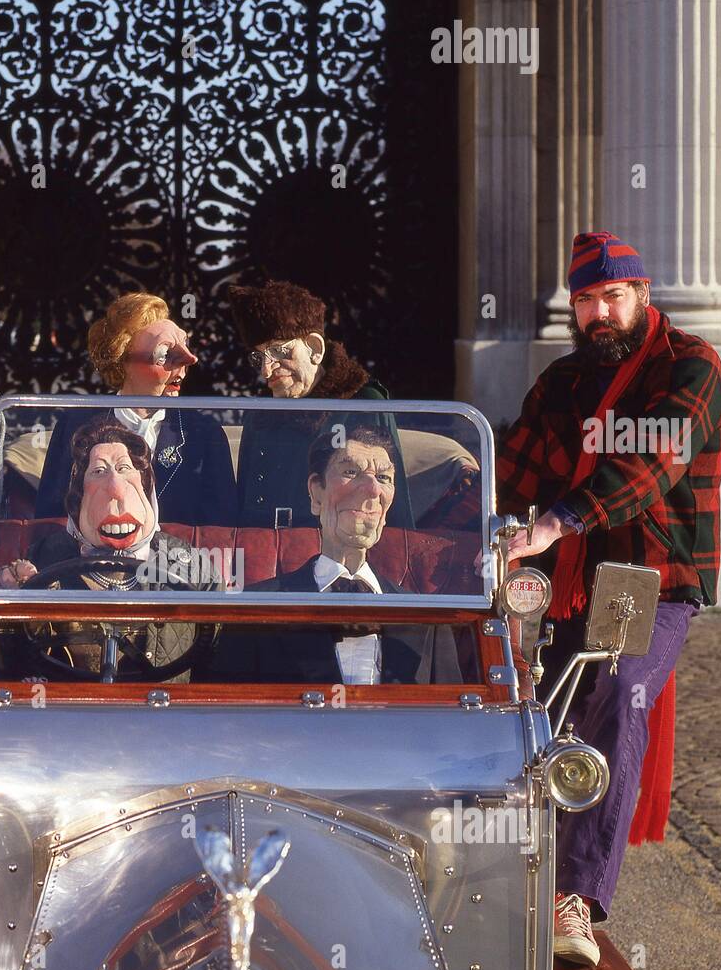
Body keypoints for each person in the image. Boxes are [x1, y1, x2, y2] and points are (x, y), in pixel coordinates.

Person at [498, 231, 721, 967]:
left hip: (653, 577)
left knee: (620, 690)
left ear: (642, 294)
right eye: (587, 299)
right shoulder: (561, 382)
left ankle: (575, 899)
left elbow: (651, 464)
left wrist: (555, 520)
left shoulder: (690, 365)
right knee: (543, 712)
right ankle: (508, 878)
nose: (601, 312)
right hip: (568, 575)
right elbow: (512, 475)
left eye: (613, 296)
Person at [214, 426, 464, 685]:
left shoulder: (426, 619)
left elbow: (454, 721)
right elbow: (227, 717)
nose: (372, 489)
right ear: (316, 493)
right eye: (350, 472)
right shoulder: (253, 611)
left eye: (383, 477)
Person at [0, 418, 216, 678]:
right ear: (77, 499)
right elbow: (6, 666)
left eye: (124, 469)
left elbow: (224, 668)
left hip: (166, 715)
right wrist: (7, 609)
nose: (115, 489)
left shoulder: (188, 564)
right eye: (98, 472)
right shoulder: (43, 558)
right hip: (72, 715)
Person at [35, 292, 237, 526]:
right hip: (95, 561)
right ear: (123, 359)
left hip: (177, 560)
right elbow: (49, 519)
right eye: (164, 355)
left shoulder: (202, 433)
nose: (184, 365)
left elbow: (222, 529)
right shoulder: (76, 426)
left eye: (185, 348)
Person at [229, 279, 415, 529]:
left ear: (315, 349)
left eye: (278, 352)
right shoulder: (259, 414)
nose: (265, 370)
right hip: (263, 556)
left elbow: (392, 502)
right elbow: (244, 508)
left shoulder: (363, 403)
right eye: (258, 357)